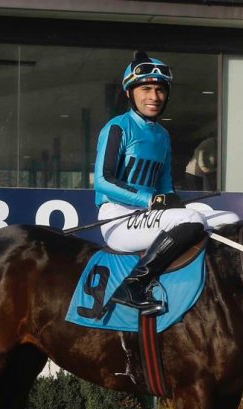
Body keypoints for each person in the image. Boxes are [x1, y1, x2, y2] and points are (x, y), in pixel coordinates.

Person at [94, 51, 234, 315]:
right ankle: (134, 284)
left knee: (229, 218)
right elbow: (103, 181)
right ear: (129, 93)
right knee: (191, 219)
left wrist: (169, 199)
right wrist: (150, 200)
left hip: (151, 215)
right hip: (116, 217)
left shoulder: (163, 135)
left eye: (160, 90)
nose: (154, 97)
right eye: (146, 88)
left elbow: (165, 187)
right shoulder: (117, 127)